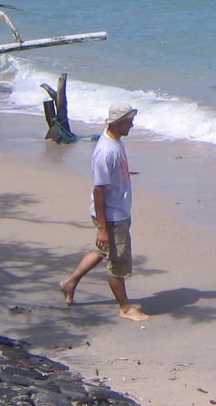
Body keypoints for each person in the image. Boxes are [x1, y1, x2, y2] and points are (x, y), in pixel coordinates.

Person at [58, 102, 150, 321]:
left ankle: (69, 283)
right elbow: (99, 190)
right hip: (111, 215)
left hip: (117, 212)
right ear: (118, 123)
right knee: (117, 262)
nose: (132, 125)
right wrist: (102, 227)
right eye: (129, 121)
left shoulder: (115, 142)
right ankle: (125, 307)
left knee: (103, 251)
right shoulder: (105, 152)